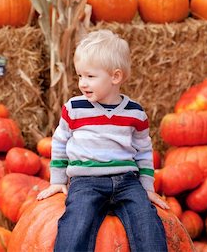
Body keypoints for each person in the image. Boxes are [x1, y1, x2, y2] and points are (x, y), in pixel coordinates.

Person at [37, 29, 170, 252]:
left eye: (90, 76)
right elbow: (59, 143)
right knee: (75, 225)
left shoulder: (134, 113)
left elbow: (144, 151)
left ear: (115, 77)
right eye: (80, 76)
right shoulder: (74, 108)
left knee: (148, 223)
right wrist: (57, 181)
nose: (82, 83)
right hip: (86, 182)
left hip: (127, 181)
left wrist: (147, 187)